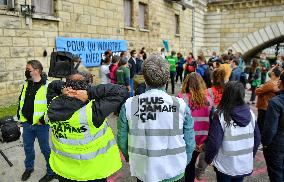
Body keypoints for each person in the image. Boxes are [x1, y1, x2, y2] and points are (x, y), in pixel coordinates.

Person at [117, 53, 195, 182]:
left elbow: (122, 140)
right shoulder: (180, 105)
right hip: (175, 171)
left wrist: (133, 159)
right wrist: (182, 162)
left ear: (144, 78)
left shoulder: (129, 105)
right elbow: (190, 142)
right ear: (167, 78)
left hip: (144, 171)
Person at [45, 72, 128, 182]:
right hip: (93, 173)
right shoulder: (93, 111)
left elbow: (52, 85)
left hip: (64, 171)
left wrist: (65, 89)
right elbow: (121, 91)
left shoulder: (52, 105)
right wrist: (90, 93)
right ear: (84, 89)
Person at [204, 81, 260, 182]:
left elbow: (214, 142)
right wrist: (250, 156)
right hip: (243, 163)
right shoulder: (251, 114)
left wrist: (208, 158)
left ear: (226, 94)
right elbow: (257, 138)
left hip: (225, 164)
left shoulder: (220, 115)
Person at [17, 60, 55, 182]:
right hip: (27, 124)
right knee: (28, 148)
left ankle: (51, 172)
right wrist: (20, 117)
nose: (27, 71)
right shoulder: (26, 84)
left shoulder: (48, 86)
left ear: (37, 70)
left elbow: (52, 107)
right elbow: (21, 102)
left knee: (45, 149)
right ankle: (29, 168)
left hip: (41, 126)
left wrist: (43, 121)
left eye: (29, 69)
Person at [178, 73, 213, 182]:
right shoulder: (208, 100)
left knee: (183, 166)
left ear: (186, 84)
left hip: (185, 141)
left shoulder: (181, 98)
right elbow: (211, 123)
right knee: (191, 165)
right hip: (201, 142)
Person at [262, 71, 284, 182]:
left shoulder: (276, 102)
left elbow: (270, 128)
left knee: (277, 174)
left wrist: (265, 143)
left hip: (277, 145)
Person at [255, 66, 281, 134]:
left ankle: (258, 139)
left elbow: (257, 91)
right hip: (268, 105)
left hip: (264, 106)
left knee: (260, 124)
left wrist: (260, 87)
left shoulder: (271, 83)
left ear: (272, 73)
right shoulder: (278, 82)